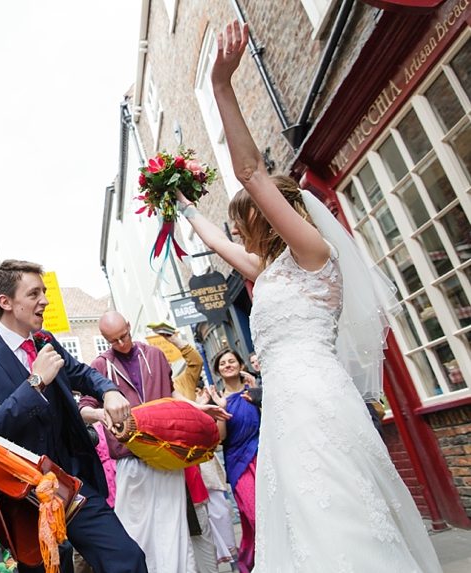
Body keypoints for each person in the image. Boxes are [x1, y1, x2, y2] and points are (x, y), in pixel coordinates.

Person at [180, 21, 440, 571]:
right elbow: (214, 240)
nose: (238, 229)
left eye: (245, 218)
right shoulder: (269, 270)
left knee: (339, 509)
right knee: (303, 515)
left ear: (270, 215)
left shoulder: (313, 253)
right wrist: (179, 203)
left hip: (316, 396)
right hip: (284, 404)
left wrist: (222, 86)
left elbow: (250, 171)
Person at [0, 260, 148, 573]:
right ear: (6, 302)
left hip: (72, 484)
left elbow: (82, 373)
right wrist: (35, 383)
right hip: (23, 498)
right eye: (34, 294)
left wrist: (110, 392)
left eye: (43, 292)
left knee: (127, 558)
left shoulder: (44, 340)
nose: (44, 300)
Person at [78, 312, 224, 573]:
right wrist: (101, 414)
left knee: (174, 531)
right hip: (130, 458)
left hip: (164, 453)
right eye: (113, 341)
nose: (121, 343)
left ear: (129, 326)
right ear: (104, 339)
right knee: (135, 532)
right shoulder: (99, 365)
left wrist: (197, 408)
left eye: (124, 336)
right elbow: (83, 409)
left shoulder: (155, 355)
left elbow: (172, 393)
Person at [201, 349, 259, 573]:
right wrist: (221, 409)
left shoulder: (253, 391)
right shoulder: (218, 400)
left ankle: (257, 558)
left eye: (232, 361)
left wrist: (256, 393)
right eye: (222, 363)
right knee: (253, 513)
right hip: (238, 462)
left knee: (271, 508)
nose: (227, 365)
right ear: (218, 371)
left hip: (262, 454)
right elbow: (221, 438)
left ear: (241, 365)